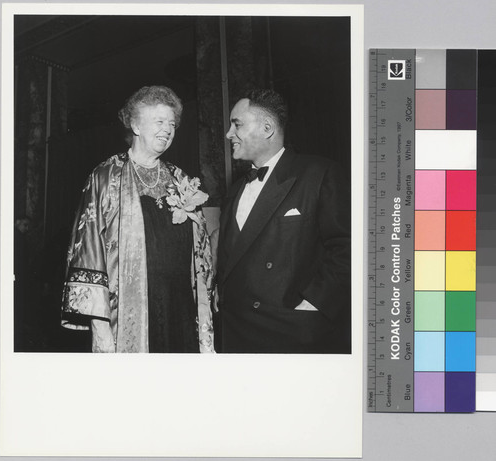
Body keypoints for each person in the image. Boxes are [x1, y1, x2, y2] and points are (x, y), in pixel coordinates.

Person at [61, 86, 214, 353]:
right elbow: (88, 255)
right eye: (159, 121)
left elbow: (201, 255)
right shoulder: (106, 177)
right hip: (129, 317)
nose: (168, 129)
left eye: (172, 123)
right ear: (135, 125)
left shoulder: (181, 179)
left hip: (180, 311)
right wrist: (100, 328)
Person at [216, 89, 351, 353]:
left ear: (267, 128)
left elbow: (349, 248)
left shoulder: (319, 174)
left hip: (291, 334)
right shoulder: (234, 191)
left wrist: (314, 304)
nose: (229, 134)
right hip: (236, 335)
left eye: (237, 124)